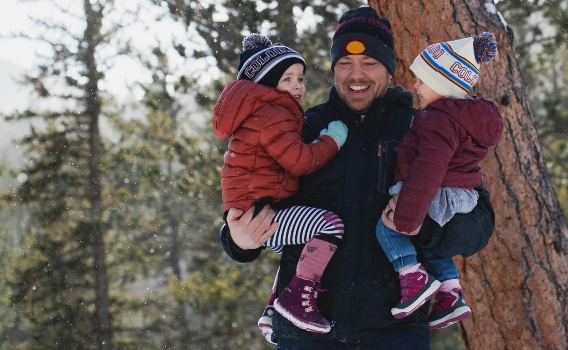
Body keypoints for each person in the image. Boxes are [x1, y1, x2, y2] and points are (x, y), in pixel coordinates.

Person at [220, 6, 496, 349]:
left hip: (395, 331)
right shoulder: (305, 129)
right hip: (306, 333)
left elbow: (480, 222)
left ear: (389, 68)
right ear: (333, 67)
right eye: (345, 63)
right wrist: (237, 240)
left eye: (370, 63)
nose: (356, 75)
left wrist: (426, 229)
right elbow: (252, 185)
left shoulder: (423, 128)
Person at [213, 33, 348, 337]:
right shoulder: (274, 116)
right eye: (287, 79)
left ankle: (274, 306)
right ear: (267, 85)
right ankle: (294, 302)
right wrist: (331, 141)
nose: (299, 86)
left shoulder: (266, 114)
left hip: (262, 205)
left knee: (300, 245)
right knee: (329, 226)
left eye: (300, 78)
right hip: (262, 210)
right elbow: (300, 161)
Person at [375, 33, 502, 328]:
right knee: (431, 244)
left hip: (435, 192)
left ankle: (412, 278)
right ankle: (449, 292)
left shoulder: (437, 119)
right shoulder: (463, 117)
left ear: (443, 83)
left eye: (422, 80)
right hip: (458, 194)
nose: (416, 86)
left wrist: (406, 217)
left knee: (389, 229)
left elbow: (428, 169)